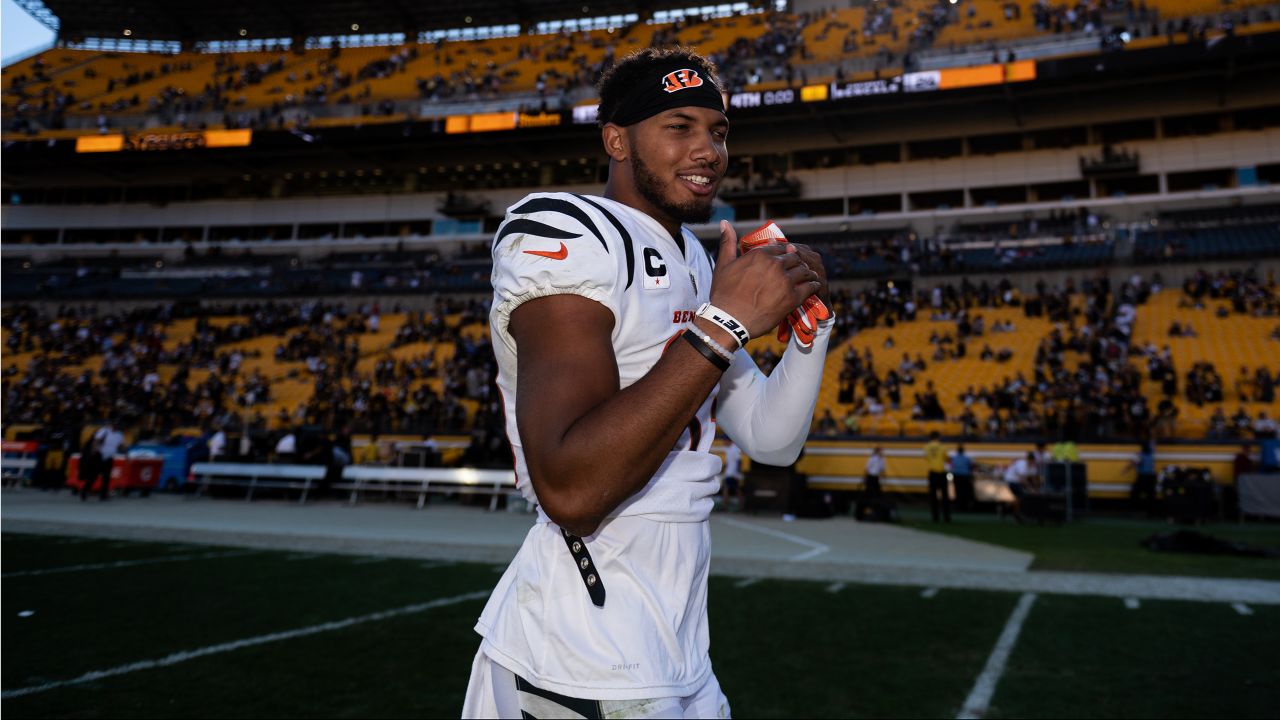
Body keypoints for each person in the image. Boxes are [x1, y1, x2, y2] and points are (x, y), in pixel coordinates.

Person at [463, 48, 831, 719]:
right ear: (617, 140)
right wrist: (723, 324)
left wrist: (809, 330)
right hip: (581, 643)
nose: (708, 149)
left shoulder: (696, 256)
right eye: (679, 126)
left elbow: (771, 442)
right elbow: (571, 487)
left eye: (717, 132)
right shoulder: (568, 230)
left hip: (677, 637)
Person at [81, 419, 124, 501]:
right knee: (93, 475)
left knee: (107, 477)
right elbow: (96, 440)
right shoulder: (105, 431)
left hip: (109, 457)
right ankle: (84, 492)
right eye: (115, 424)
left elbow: (120, 445)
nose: (117, 426)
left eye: (118, 425)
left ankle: (103, 494)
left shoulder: (119, 435)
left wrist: (126, 452)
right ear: (112, 425)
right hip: (99, 456)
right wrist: (94, 450)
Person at [923, 431, 950, 522]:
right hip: (942, 472)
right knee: (945, 496)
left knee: (933, 496)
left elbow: (926, 457)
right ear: (938, 437)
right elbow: (946, 458)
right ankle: (946, 517)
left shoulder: (926, 447)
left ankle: (935, 517)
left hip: (932, 472)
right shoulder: (943, 447)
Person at [1129, 441, 1158, 516]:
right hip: (1151, 477)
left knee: (1135, 493)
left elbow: (1134, 463)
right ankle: (1151, 512)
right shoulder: (1151, 453)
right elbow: (1154, 443)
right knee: (1151, 495)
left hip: (1143, 477)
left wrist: (1125, 469)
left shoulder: (1140, 455)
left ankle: (1134, 510)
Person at [720, 439, 744, 511]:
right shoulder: (730, 449)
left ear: (729, 441)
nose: (724, 442)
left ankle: (725, 507)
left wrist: (737, 473)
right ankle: (741, 506)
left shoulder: (734, 449)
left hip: (732, 474)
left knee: (727, 489)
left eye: (725, 441)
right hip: (730, 473)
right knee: (736, 490)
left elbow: (739, 461)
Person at [950, 443, 974, 511]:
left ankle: (958, 506)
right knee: (965, 492)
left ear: (957, 451)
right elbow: (970, 467)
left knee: (958, 491)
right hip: (965, 476)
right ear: (963, 451)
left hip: (956, 476)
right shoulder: (966, 458)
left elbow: (952, 467)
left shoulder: (954, 458)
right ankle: (965, 507)